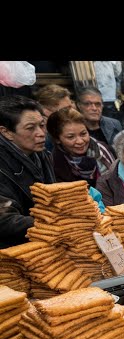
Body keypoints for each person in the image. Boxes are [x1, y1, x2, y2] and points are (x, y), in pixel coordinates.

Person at [0, 95, 54, 248]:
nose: (41, 133)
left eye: (42, 125)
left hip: (42, 241)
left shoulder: (41, 153)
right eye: (30, 128)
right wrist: (53, 222)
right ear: (6, 132)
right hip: (12, 250)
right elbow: (4, 219)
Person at [47, 107, 116, 187]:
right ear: (57, 139)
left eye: (83, 134)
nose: (80, 141)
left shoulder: (103, 151)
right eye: (71, 137)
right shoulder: (54, 163)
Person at [75, 86, 123, 153]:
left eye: (98, 104)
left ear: (102, 106)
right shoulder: (74, 129)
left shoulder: (115, 125)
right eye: (88, 104)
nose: (94, 108)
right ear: (79, 106)